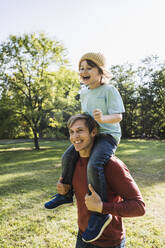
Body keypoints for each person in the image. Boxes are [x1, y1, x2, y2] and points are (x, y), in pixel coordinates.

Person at [44, 52, 125, 242]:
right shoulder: (85, 92)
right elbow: (85, 115)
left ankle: (100, 212)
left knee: (94, 164)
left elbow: (118, 116)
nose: (84, 71)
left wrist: (103, 119)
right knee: (67, 157)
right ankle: (65, 193)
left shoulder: (109, 90)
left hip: (107, 136)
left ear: (100, 71)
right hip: (91, 134)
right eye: (81, 68)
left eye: (89, 68)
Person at [57, 113, 146, 248]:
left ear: (93, 132)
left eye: (80, 131)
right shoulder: (73, 163)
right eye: (72, 132)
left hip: (109, 243)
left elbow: (139, 207)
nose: (75, 136)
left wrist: (103, 207)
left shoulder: (111, 165)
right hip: (83, 236)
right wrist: (65, 190)